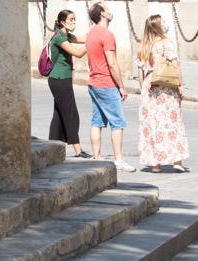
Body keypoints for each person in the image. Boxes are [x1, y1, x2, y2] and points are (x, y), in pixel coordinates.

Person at [85, 2, 135, 172]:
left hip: (93, 82)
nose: (109, 11)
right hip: (106, 83)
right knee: (118, 122)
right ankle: (119, 160)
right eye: (106, 9)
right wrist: (121, 86)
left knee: (97, 121)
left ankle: (96, 157)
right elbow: (112, 63)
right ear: (103, 14)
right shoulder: (106, 35)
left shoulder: (90, 33)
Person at [136, 15, 189, 173]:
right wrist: (180, 85)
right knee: (172, 122)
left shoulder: (144, 46)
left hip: (150, 84)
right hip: (167, 85)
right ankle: (177, 161)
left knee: (152, 123)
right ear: (158, 26)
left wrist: (143, 88)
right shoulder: (167, 44)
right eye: (163, 22)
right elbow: (176, 65)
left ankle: (155, 164)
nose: (165, 24)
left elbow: (140, 71)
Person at [48, 10, 91, 158]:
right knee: (71, 114)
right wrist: (92, 41)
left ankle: (51, 147)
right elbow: (78, 53)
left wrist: (95, 32)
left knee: (59, 115)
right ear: (62, 22)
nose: (74, 22)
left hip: (61, 79)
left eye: (75, 19)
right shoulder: (59, 38)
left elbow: (83, 38)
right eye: (71, 19)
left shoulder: (66, 35)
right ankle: (78, 150)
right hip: (59, 80)